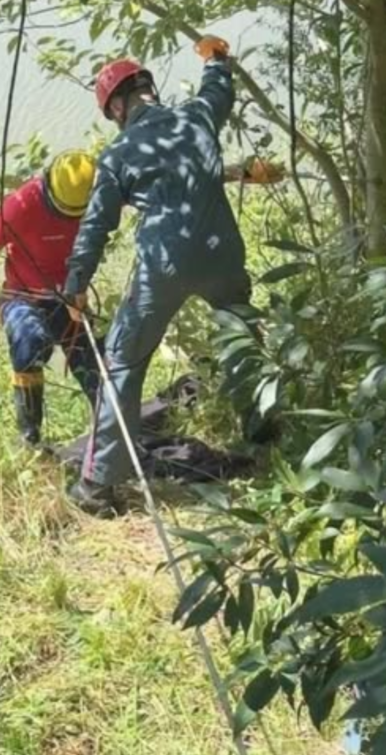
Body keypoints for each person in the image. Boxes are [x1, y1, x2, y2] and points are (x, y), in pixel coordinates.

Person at [63, 35, 252, 516]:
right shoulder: (196, 116)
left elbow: (96, 225)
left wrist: (77, 281)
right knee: (241, 335)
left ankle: (98, 486)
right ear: (148, 88)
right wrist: (215, 58)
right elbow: (219, 89)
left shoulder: (117, 155)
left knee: (123, 362)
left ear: (118, 107)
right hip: (222, 255)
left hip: (162, 267)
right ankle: (262, 428)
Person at [0, 150, 101, 445]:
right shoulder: (20, 206)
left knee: (95, 364)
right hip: (23, 296)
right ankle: (30, 435)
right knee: (29, 343)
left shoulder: (98, 196)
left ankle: (108, 436)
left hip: (70, 295)